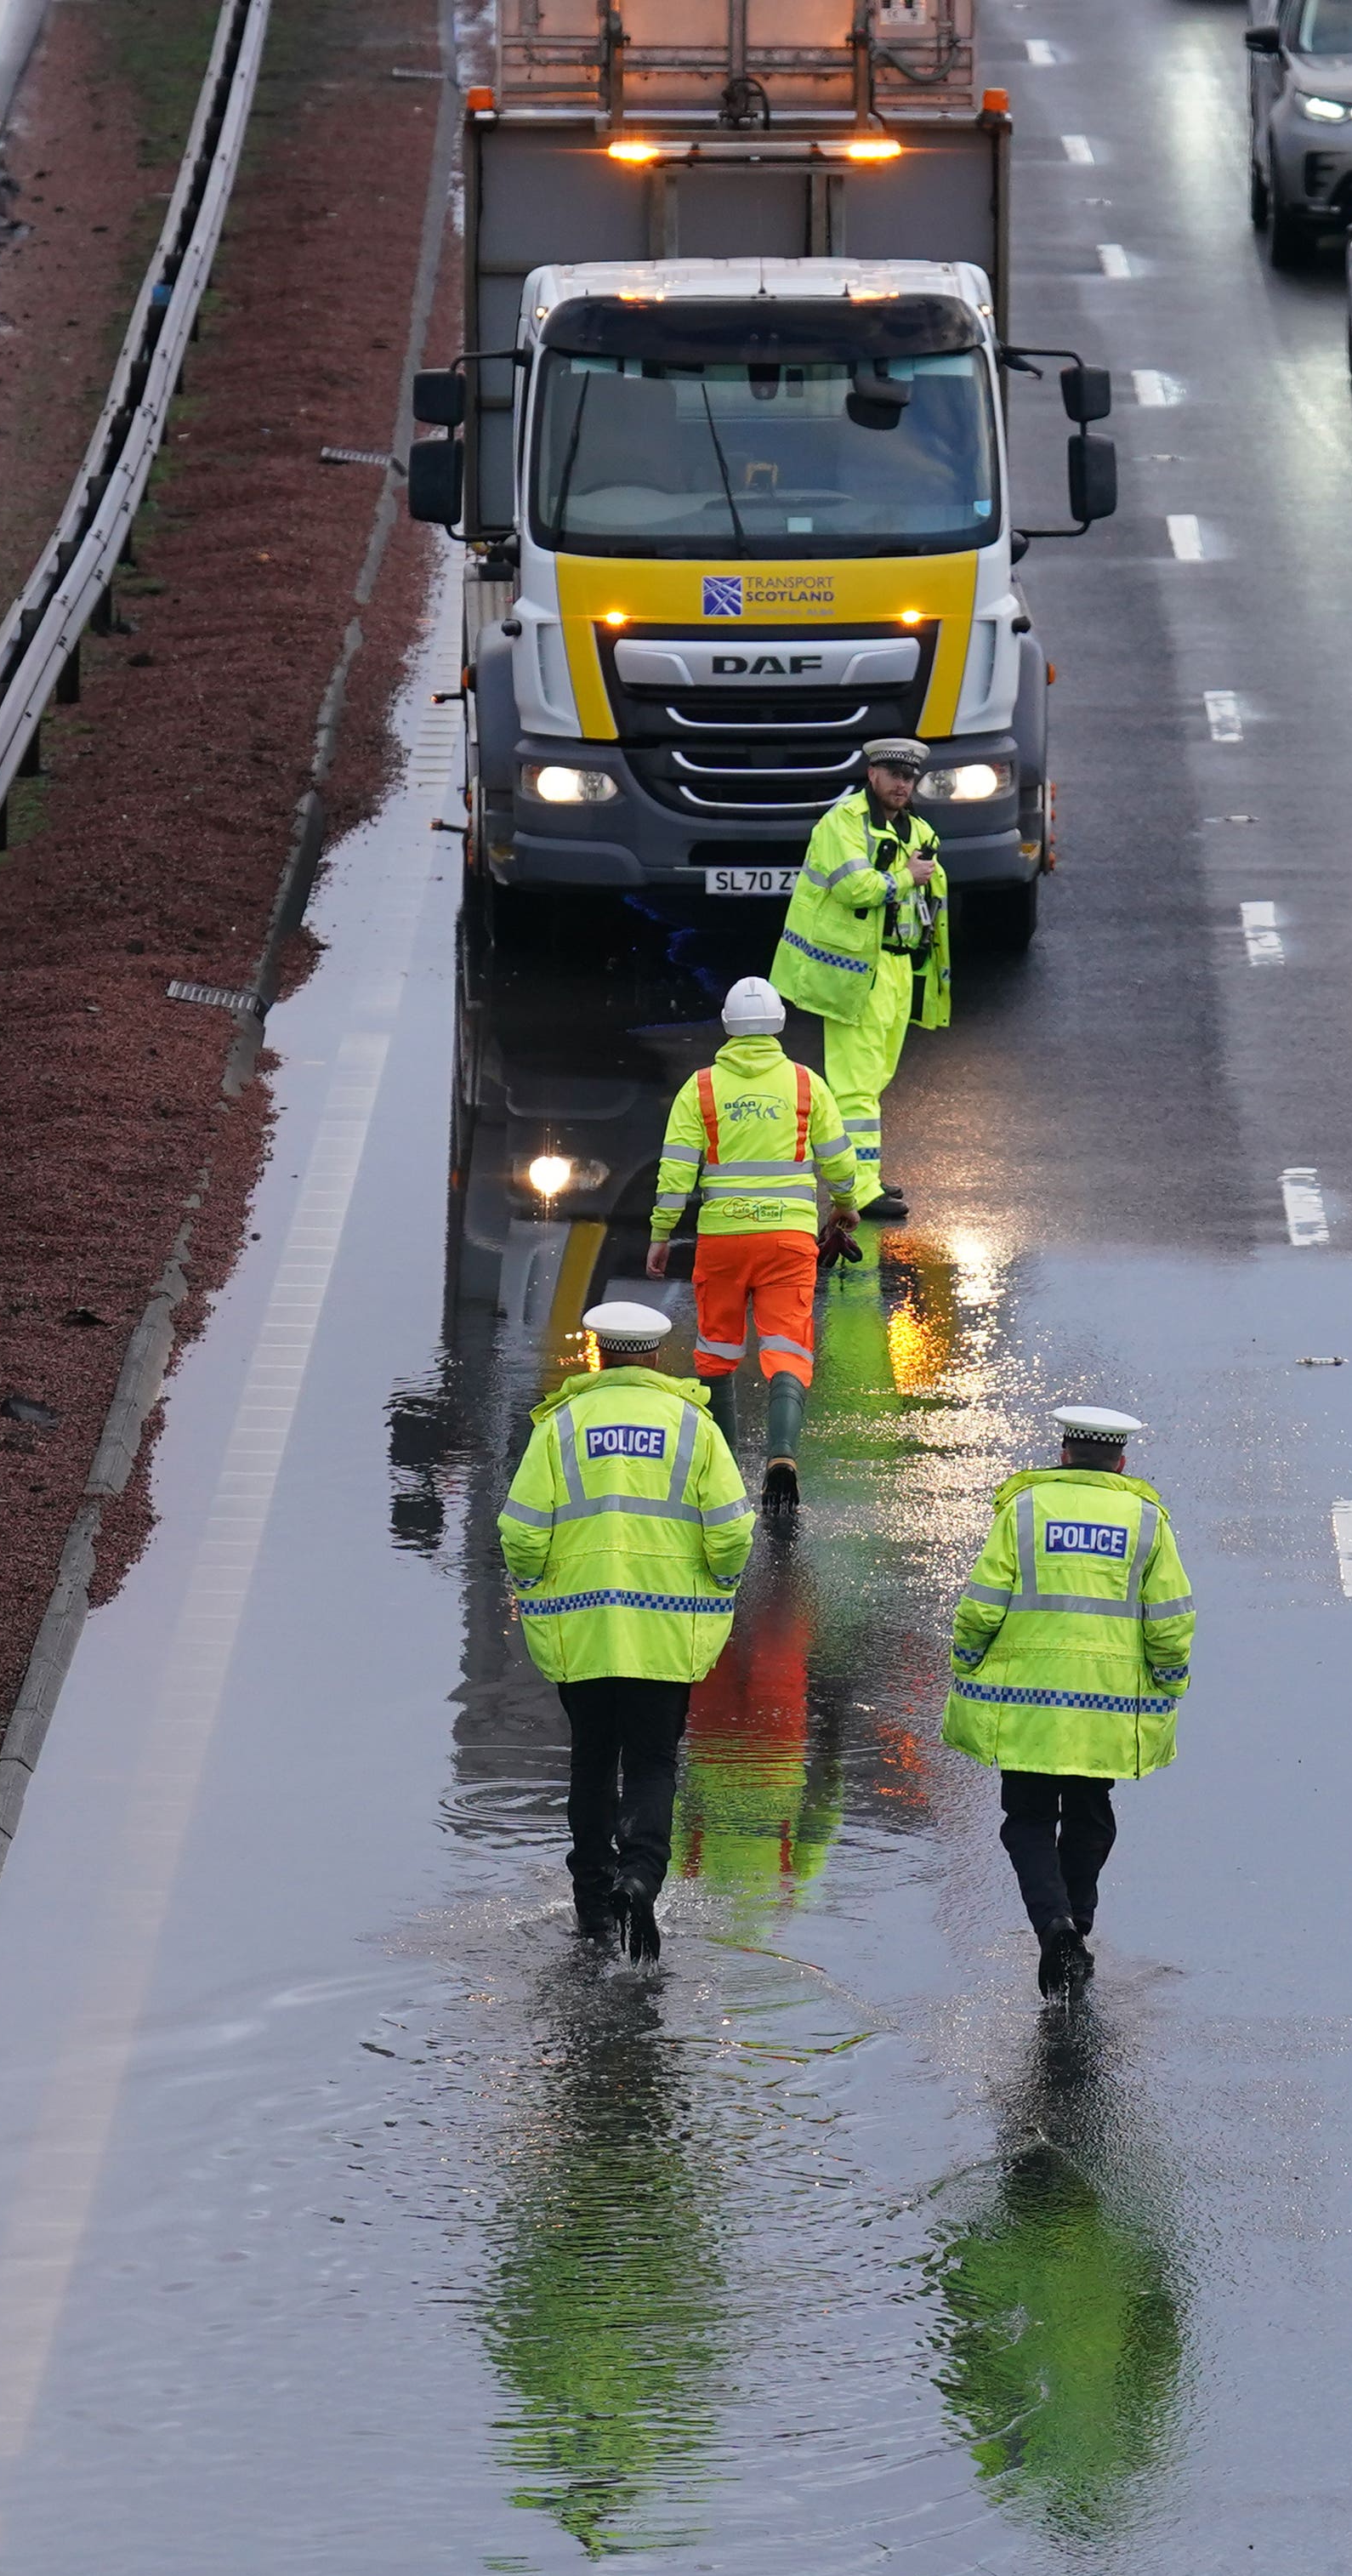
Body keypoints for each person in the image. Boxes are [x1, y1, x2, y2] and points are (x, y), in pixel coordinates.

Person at [499, 1301, 757, 1960]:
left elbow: (522, 1532)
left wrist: (534, 1589)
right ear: (655, 1356)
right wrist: (719, 1585)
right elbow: (729, 1531)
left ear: (598, 1353)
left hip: (581, 1628)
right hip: (665, 1632)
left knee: (592, 1759)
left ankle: (590, 1901)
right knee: (652, 1761)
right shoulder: (692, 1427)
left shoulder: (558, 1425)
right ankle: (640, 1876)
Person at [941, 1407, 1195, 1996]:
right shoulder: (1146, 1519)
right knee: (1089, 1813)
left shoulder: (1025, 1509)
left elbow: (982, 1601)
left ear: (1063, 1454)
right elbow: (1170, 1616)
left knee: (1027, 1818)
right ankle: (1077, 1926)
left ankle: (1052, 1924)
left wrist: (968, 1658)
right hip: (1104, 1709)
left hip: (1028, 1702)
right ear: (1120, 1463)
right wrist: (1169, 1677)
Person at [648, 975, 861, 1510]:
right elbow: (837, 1157)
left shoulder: (700, 1089)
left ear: (727, 1028)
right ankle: (781, 1454)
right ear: (779, 1026)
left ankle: (722, 1471)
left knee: (717, 1350)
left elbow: (676, 1172)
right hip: (787, 1240)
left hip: (722, 1240)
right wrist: (845, 1203)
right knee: (788, 1346)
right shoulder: (806, 1085)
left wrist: (661, 1234)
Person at [769, 736, 948, 1223]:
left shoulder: (916, 829)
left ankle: (865, 1176)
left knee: (877, 1077)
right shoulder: (842, 823)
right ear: (872, 775)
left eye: (909, 778)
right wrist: (906, 878)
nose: (902, 784)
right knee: (855, 1085)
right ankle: (858, 1190)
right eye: (893, 775)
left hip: (894, 967)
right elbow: (854, 888)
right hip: (855, 973)